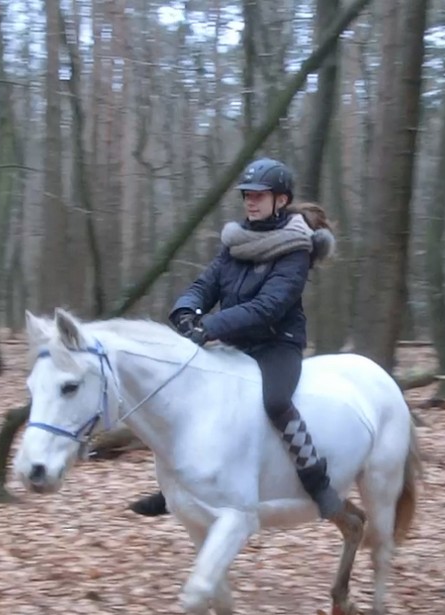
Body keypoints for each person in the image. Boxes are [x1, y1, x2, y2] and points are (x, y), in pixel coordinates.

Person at [129, 157, 342, 520]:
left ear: (281, 200)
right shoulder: (236, 243)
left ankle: (318, 482)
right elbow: (205, 284)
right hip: (235, 343)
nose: (250, 202)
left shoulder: (296, 249)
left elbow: (268, 307)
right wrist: (186, 310)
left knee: (275, 401)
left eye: (259, 195)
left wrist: (210, 327)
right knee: (190, 396)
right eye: (247, 195)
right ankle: (176, 486)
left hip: (277, 344)